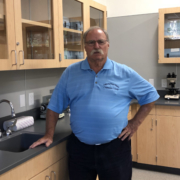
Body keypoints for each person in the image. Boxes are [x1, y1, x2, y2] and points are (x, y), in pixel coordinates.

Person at [30, 26, 159, 180]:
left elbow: (151, 96)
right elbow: (54, 106)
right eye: (91, 42)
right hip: (80, 150)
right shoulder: (71, 73)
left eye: (100, 42)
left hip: (115, 149)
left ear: (108, 45)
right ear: (84, 46)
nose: (96, 46)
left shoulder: (124, 73)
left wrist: (134, 124)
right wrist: (48, 135)